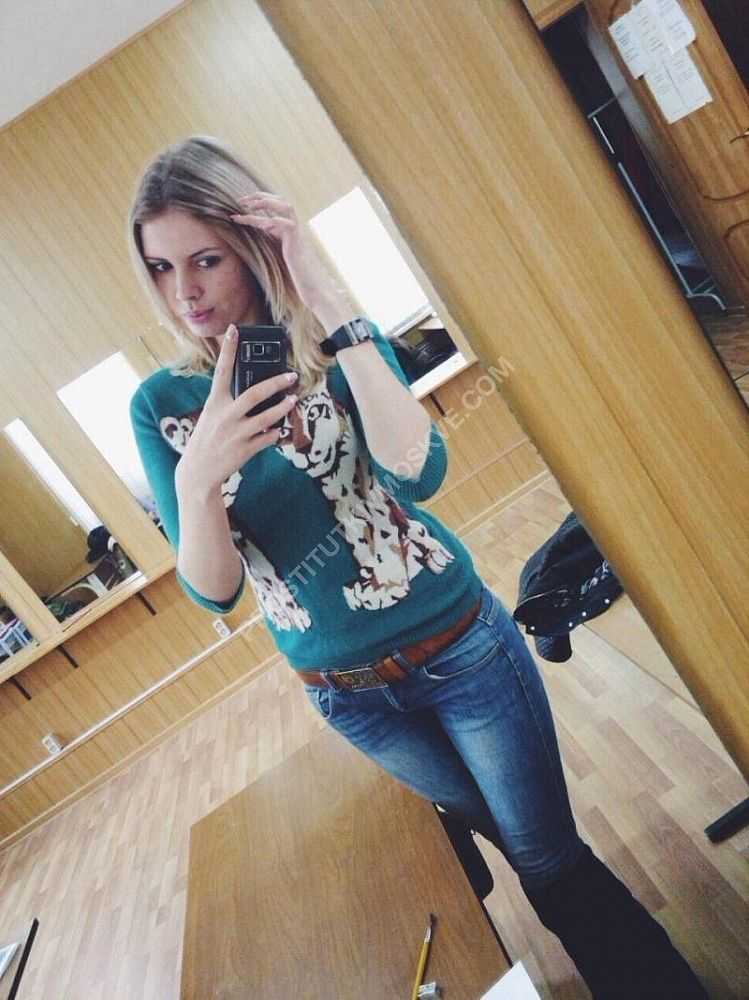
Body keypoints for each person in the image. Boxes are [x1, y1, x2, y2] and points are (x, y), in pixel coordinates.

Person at [128, 136, 708, 999]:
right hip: (349, 698)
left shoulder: (337, 343)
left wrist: (328, 298)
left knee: (549, 867)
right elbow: (215, 591)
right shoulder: (162, 407)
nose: (185, 292)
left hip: (460, 651)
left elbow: (417, 468)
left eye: (205, 259)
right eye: (162, 267)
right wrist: (196, 477)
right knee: (518, 852)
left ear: (251, 247)